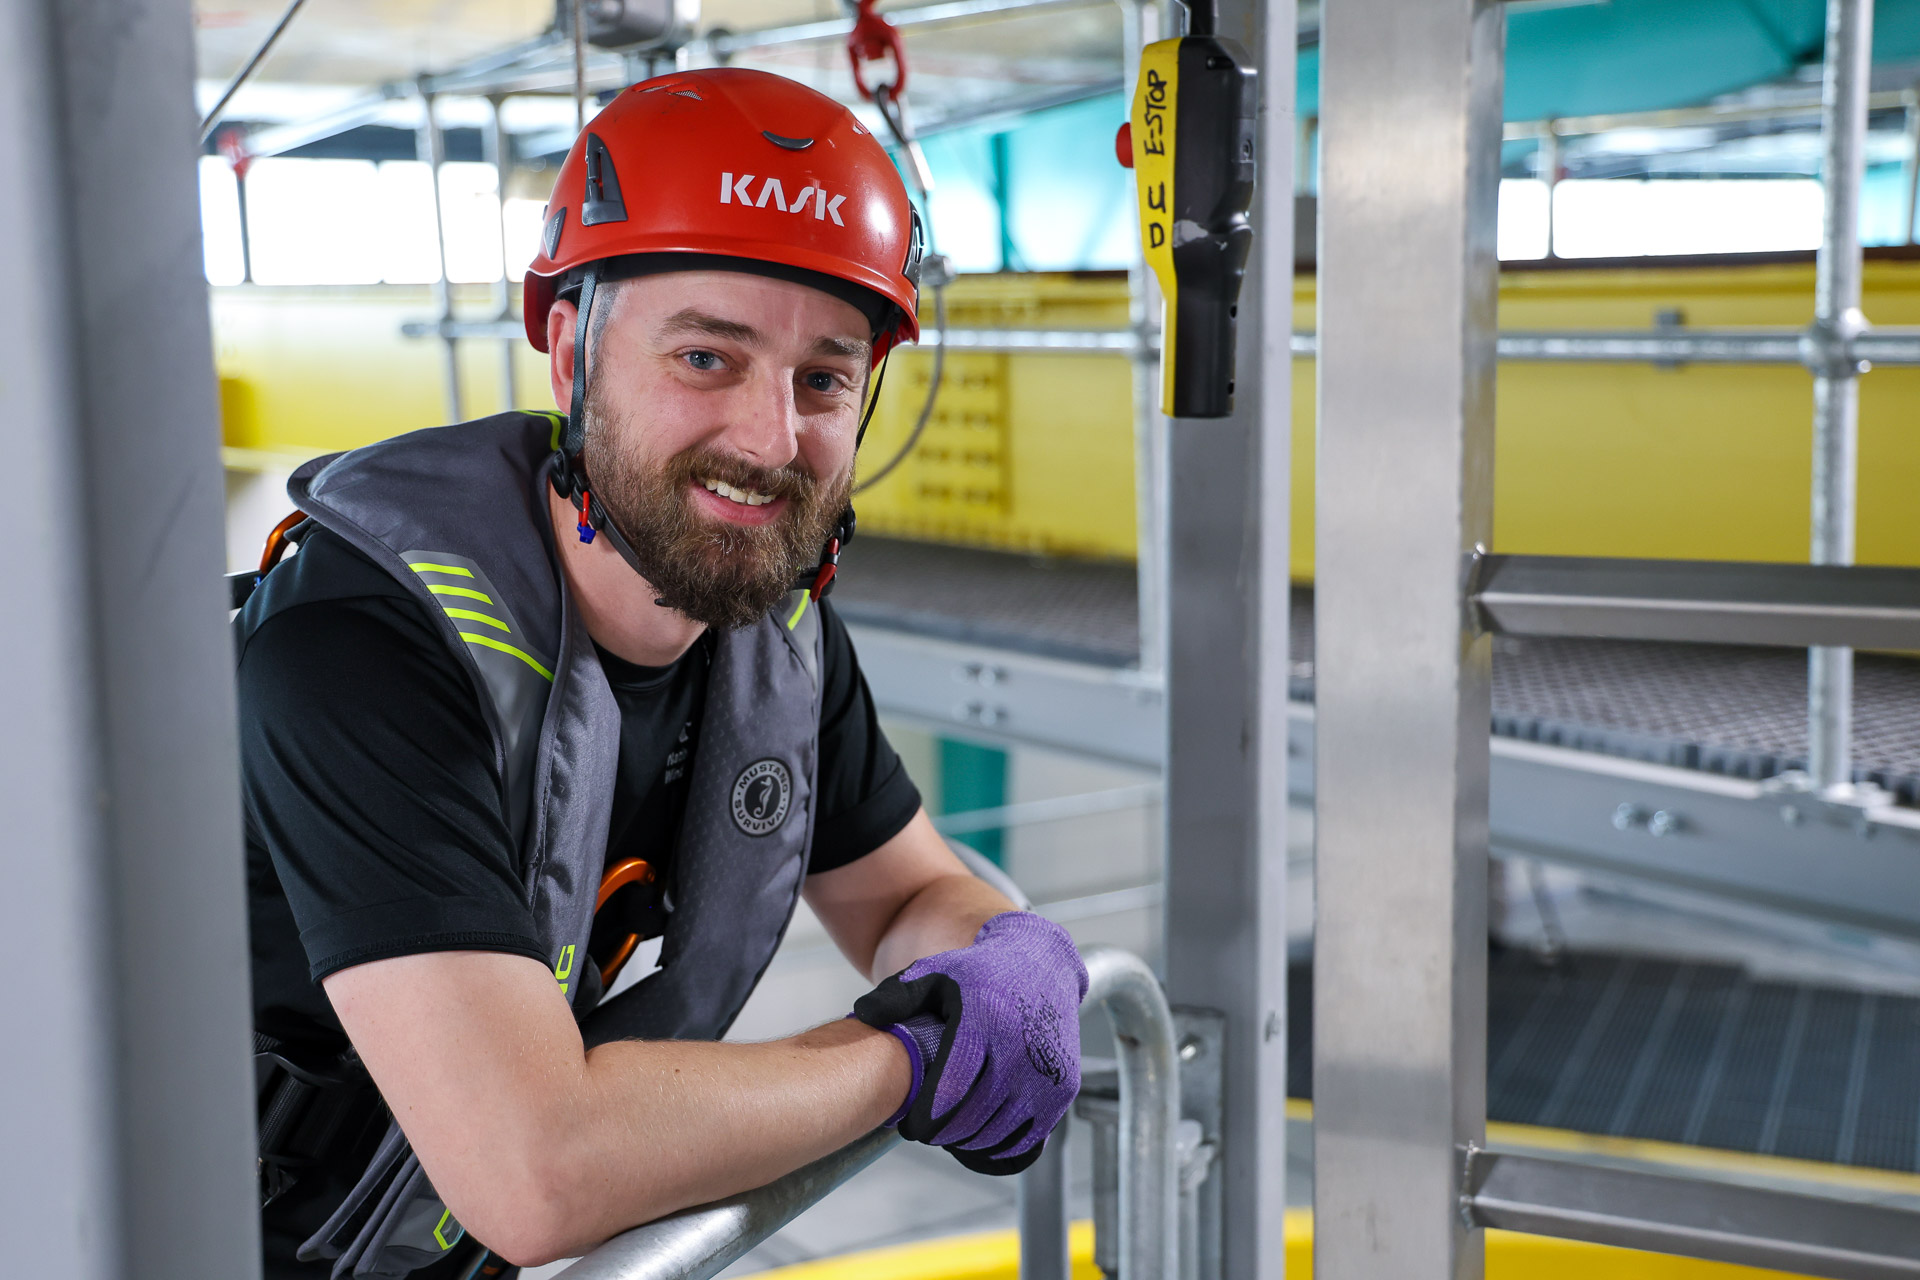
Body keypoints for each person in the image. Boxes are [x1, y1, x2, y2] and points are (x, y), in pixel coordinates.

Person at [238, 68, 1087, 1279]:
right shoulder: (364, 651)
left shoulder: (770, 639)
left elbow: (905, 898)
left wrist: (1008, 956)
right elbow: (539, 1170)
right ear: (570, 348)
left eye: (824, 379)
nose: (766, 440)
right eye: (705, 356)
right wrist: (913, 1054)